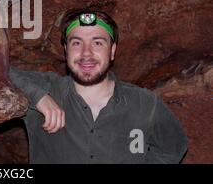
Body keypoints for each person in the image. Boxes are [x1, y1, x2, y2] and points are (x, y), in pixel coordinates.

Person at [9, 8, 188, 163]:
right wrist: (38, 98)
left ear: (112, 51)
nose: (86, 53)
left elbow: (174, 146)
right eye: (77, 42)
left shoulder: (145, 104)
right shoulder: (46, 89)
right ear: (66, 50)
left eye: (97, 43)